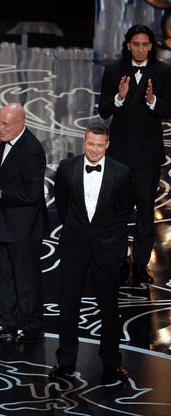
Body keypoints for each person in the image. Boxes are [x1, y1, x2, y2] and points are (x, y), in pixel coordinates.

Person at [50, 122, 132, 384]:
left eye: (99, 145)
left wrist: (118, 249)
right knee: (68, 307)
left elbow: (123, 214)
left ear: (107, 145)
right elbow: (61, 203)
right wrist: (75, 229)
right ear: (83, 142)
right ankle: (65, 361)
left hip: (106, 250)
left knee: (109, 311)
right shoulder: (67, 167)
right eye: (90, 144)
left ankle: (111, 363)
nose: (94, 149)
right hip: (74, 248)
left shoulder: (121, 173)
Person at [98, 24, 171, 286]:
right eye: (136, 44)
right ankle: (119, 261)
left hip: (148, 156)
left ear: (151, 46)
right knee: (119, 211)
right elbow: (104, 110)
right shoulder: (113, 70)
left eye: (145, 45)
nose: (140, 49)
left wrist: (153, 101)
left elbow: (169, 109)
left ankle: (141, 263)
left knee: (145, 213)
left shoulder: (164, 72)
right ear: (128, 44)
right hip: (120, 155)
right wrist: (119, 97)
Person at [0, 103, 48, 344]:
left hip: (25, 227)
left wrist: (0, 193)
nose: (0, 128)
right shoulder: (7, 139)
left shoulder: (32, 150)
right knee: (6, 277)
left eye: (5, 124)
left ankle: (32, 327)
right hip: (8, 224)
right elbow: (2, 169)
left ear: (21, 124)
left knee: (26, 280)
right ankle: (6, 323)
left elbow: (32, 194)